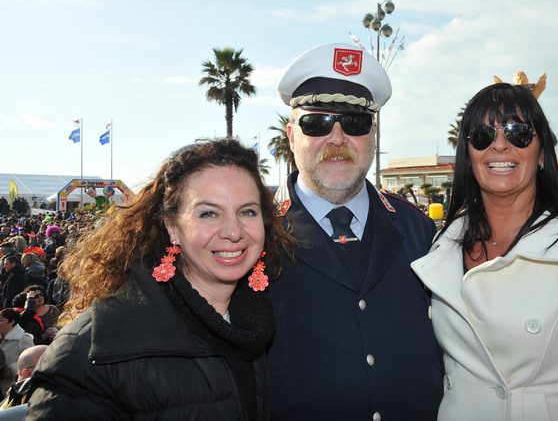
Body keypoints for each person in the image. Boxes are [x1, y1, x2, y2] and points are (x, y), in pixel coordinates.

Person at [412, 83, 558, 420]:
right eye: (482, 136)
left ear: (541, 154)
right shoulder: (442, 244)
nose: (499, 145)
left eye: (518, 133)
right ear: (469, 155)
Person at [27, 138, 293, 420]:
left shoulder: (258, 321)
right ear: (171, 226)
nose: (234, 231)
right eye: (209, 213)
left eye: (247, 211)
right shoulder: (90, 349)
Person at [268, 42, 443, 420]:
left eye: (355, 123)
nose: (337, 138)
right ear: (291, 136)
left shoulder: (418, 230)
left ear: (373, 135)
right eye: (317, 123)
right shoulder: (256, 234)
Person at [0, 309, 34, 395]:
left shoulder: (23, 338)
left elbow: (32, 362)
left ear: (12, 322)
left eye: (1, 320)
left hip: (10, 387)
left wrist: (13, 369)